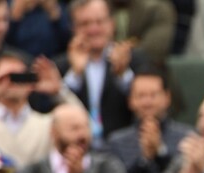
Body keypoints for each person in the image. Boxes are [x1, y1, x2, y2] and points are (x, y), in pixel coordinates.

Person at [56, 0, 148, 140]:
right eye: (85, 24)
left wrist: (123, 75)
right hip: (75, 145)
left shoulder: (134, 60)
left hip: (123, 145)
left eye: (100, 22)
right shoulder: (61, 66)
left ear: (112, 23)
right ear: (73, 28)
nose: (94, 29)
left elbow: (147, 103)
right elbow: (52, 109)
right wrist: (75, 75)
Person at [0, 53, 77, 169]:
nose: (12, 83)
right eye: (4, 77)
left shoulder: (47, 124)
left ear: (30, 80)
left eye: (20, 77)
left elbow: (83, 126)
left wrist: (59, 91)